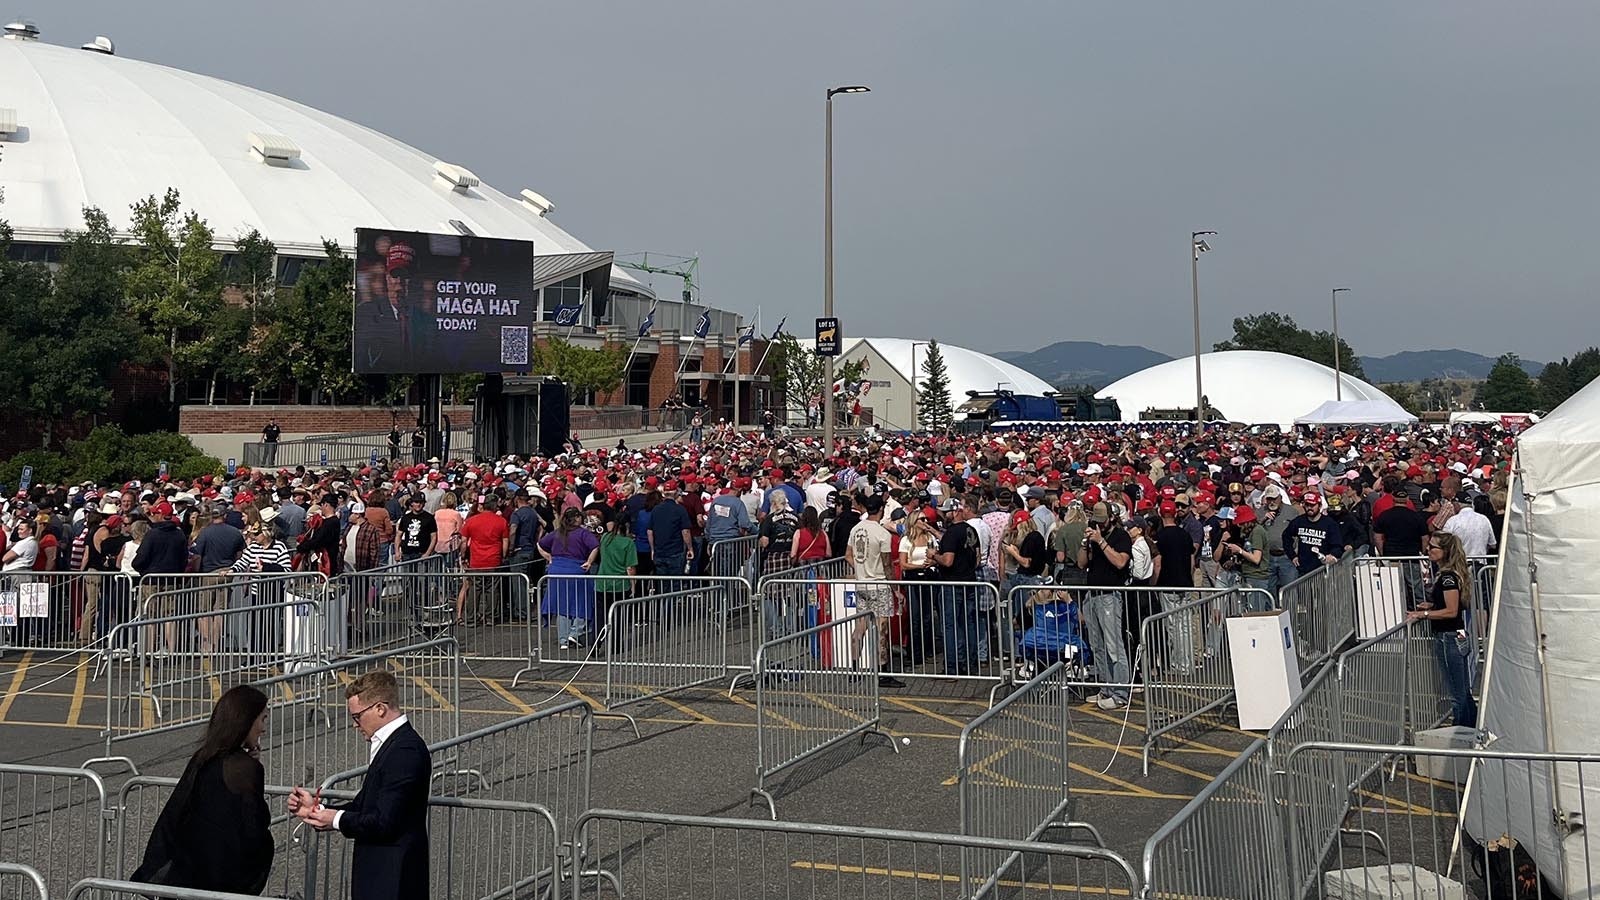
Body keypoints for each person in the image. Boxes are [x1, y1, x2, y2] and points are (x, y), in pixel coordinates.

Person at [289, 671, 431, 900]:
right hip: (381, 872)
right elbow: (366, 805)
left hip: (393, 876)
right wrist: (319, 810)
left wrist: (334, 819)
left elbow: (383, 821)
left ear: (380, 709)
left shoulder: (405, 751)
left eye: (357, 717)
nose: (355, 725)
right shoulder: (393, 745)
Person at [133, 685, 273, 894]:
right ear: (246, 720)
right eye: (262, 719)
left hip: (187, 873)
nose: (263, 728)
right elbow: (254, 825)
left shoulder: (205, 756)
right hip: (219, 880)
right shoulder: (244, 769)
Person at [1407, 532, 1477, 728]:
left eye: (1433, 547)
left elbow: (1451, 610)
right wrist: (1431, 605)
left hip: (1449, 637)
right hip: (1454, 635)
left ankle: (1462, 731)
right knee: (1462, 690)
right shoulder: (1449, 575)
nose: (1428, 550)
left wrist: (1423, 615)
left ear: (1445, 552)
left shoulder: (1448, 578)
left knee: (1457, 693)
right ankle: (1470, 727)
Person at [1077, 501, 1133, 710]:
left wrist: (1101, 542)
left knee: (1113, 645)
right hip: (1092, 593)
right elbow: (1082, 563)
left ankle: (1120, 692)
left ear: (1111, 517)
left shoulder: (1121, 536)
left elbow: (1120, 562)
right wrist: (1085, 544)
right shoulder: (1092, 536)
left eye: (1102, 521)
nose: (1099, 525)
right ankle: (1105, 687)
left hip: (1110, 595)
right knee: (1097, 645)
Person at [846, 495, 902, 688]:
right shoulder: (882, 533)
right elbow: (887, 566)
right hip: (878, 584)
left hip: (862, 584)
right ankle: (883, 672)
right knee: (881, 629)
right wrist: (896, 590)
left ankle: (853, 668)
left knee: (860, 627)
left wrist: (861, 569)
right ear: (881, 509)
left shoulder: (856, 529)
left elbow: (848, 555)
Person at [539, 507, 600, 648]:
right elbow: (595, 546)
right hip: (576, 570)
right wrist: (589, 562)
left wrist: (549, 558)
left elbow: (540, 544)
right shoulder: (583, 533)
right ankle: (575, 633)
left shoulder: (557, 533)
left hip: (556, 571)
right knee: (582, 603)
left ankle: (563, 640)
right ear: (577, 518)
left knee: (562, 606)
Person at [456, 496, 509, 626]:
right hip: (493, 559)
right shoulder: (501, 521)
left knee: (475, 589)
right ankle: (491, 617)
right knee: (492, 589)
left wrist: (463, 556)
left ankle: (471, 618)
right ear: (494, 506)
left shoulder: (472, 521)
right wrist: (502, 556)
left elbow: (463, 541)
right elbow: (505, 542)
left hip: (476, 560)